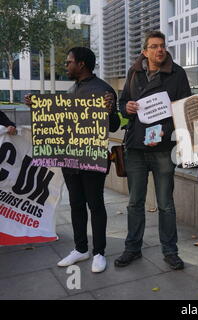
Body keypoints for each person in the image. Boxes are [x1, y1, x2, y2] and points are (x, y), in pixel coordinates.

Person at [25, 47, 120, 273]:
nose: (66, 66)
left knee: (95, 205)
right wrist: (38, 108)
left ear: (81, 64)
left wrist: (109, 110)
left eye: (69, 62)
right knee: (76, 204)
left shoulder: (104, 91)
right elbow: (60, 120)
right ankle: (80, 248)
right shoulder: (72, 89)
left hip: (92, 158)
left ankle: (99, 253)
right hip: (70, 159)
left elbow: (115, 126)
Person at [114, 31, 191, 269]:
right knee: (134, 202)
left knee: (166, 203)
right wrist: (125, 107)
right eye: (154, 46)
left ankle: (170, 251)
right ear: (145, 52)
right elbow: (122, 102)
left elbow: (184, 109)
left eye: (162, 46)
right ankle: (132, 248)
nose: (160, 50)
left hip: (163, 148)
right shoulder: (134, 72)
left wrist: (165, 132)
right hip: (136, 148)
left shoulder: (177, 74)